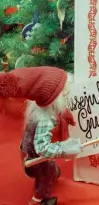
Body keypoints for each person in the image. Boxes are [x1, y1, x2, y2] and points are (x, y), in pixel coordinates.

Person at [0, 66, 83, 205]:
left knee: (50, 171)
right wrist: (66, 148)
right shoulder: (45, 119)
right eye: (63, 90)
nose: (67, 91)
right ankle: (38, 199)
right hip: (36, 160)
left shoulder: (38, 107)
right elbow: (43, 149)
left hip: (26, 152)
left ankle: (51, 174)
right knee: (46, 176)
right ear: (51, 97)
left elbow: (57, 109)